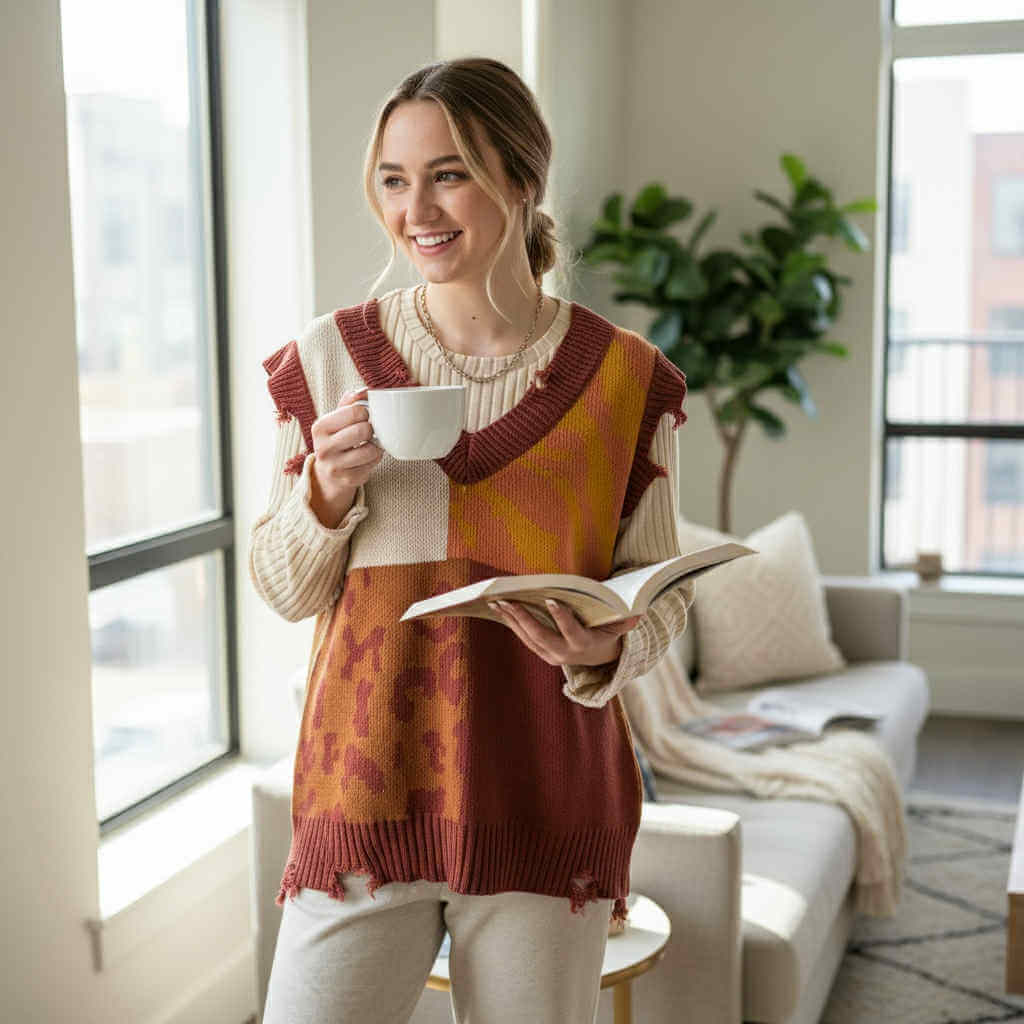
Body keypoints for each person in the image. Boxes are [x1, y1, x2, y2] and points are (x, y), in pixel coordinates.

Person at [251, 56, 695, 1024]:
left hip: (544, 789)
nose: (417, 209)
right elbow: (284, 589)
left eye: (448, 172)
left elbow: (659, 589)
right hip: (365, 783)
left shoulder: (628, 380)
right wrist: (324, 490)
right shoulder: (324, 357)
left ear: (522, 178)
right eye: (393, 179)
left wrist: (610, 643)